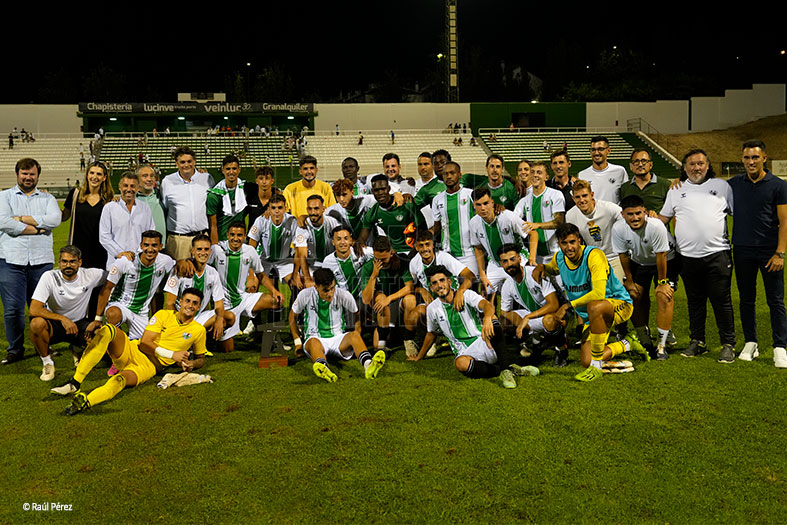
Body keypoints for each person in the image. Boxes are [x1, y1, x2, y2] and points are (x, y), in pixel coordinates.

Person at [50, 288, 208, 415]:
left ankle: (87, 402)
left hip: (148, 367)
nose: (190, 305)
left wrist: (192, 364)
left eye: (195, 303)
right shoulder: (163, 315)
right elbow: (145, 344)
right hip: (133, 349)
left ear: (199, 307)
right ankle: (75, 382)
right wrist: (172, 355)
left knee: (120, 381)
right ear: (180, 302)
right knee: (108, 330)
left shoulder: (198, 330)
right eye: (187, 301)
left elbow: (201, 358)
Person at [533, 223, 647, 382]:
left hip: (618, 305)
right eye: (564, 243)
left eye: (572, 242)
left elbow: (598, 294)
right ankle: (628, 343)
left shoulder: (594, 256)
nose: (569, 247)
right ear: (559, 244)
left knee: (594, 305)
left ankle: (597, 367)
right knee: (586, 361)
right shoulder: (559, 258)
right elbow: (551, 268)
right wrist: (541, 267)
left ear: (579, 240)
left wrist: (568, 305)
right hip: (591, 316)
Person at [658, 149, 735, 363]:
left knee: (722, 300)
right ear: (684, 168)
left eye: (700, 163)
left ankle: (728, 344)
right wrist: (647, 220)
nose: (696, 168)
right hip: (687, 257)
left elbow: (738, 213)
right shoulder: (676, 189)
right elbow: (663, 218)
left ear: (708, 166)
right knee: (695, 301)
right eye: (691, 164)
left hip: (717, 254)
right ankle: (697, 341)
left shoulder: (722, 186)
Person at [408, 265, 534, 389]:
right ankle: (507, 369)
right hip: (465, 352)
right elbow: (431, 333)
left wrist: (487, 319)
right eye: (434, 283)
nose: (439, 285)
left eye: (442, 280)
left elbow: (487, 306)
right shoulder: (432, 309)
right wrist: (419, 357)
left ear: (449, 282)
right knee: (460, 364)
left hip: (485, 341)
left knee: (493, 319)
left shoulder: (466, 295)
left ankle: (506, 368)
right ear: (431, 287)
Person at [727, 140, 787, 366]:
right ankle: (751, 342)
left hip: (770, 252)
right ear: (742, 160)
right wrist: (680, 180)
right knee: (746, 299)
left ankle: (780, 346)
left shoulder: (778, 185)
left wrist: (780, 253)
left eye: (755, 157)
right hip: (742, 250)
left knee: (775, 300)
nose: (751, 162)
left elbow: (784, 221)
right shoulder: (734, 184)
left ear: (764, 158)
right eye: (746, 158)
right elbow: (705, 185)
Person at [0, 158, 61, 365]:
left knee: (41, 308)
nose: (28, 177)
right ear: (17, 174)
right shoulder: (4, 196)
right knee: (13, 310)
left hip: (41, 260)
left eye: (32, 174)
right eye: (24, 174)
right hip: (10, 259)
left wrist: (20, 219)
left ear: (37, 176)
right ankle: (15, 350)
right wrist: (37, 229)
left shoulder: (48, 198)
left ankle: (44, 345)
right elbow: (3, 222)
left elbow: (55, 220)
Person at [289, 268, 386, 383]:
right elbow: (292, 316)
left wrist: (357, 335)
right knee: (313, 343)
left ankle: (368, 365)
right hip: (315, 338)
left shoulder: (343, 295)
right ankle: (324, 368)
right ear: (316, 287)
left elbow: (357, 314)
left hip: (338, 339)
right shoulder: (305, 295)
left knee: (354, 335)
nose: (330, 294)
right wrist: (297, 342)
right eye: (326, 290)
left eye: (332, 288)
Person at [612, 195, 679, 360]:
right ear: (622, 214)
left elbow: (661, 255)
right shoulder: (618, 228)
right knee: (633, 295)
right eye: (630, 214)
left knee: (664, 296)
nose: (635, 218)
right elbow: (623, 255)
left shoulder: (656, 226)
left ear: (645, 212)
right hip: (640, 262)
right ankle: (645, 340)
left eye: (638, 213)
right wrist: (629, 281)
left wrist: (662, 283)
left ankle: (661, 346)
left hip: (665, 261)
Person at [29, 246, 106, 381]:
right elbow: (34, 309)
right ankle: (47, 363)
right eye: (64, 261)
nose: (68, 265)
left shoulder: (90, 275)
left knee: (101, 336)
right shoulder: (49, 277)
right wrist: (63, 319)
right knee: (36, 324)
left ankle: (77, 347)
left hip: (80, 324)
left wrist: (98, 318)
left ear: (79, 262)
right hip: (55, 325)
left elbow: (114, 277)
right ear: (59, 262)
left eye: (72, 261)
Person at [209, 221, 284, 351]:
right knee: (227, 349)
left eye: (239, 235)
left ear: (244, 237)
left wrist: (275, 291)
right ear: (227, 235)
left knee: (275, 301)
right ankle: (212, 335)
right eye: (232, 235)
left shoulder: (250, 251)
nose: (235, 238)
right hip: (224, 306)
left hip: (243, 299)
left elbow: (261, 275)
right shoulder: (217, 250)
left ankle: (263, 332)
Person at [93, 230, 175, 341]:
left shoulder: (165, 261)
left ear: (161, 246)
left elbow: (177, 266)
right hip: (120, 305)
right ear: (141, 246)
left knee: (144, 344)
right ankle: (110, 339)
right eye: (146, 245)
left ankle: (121, 340)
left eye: (154, 245)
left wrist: (183, 262)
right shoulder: (125, 262)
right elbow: (107, 288)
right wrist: (98, 318)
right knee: (113, 314)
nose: (150, 249)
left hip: (141, 312)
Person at [407, 229, 476, 356]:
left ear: (433, 245)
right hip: (434, 304)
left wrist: (460, 292)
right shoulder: (414, 263)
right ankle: (421, 339)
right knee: (415, 314)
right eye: (421, 245)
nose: (425, 249)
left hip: (453, 301)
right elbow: (412, 286)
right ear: (416, 247)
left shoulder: (444, 258)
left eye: (427, 244)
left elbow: (470, 275)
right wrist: (421, 290)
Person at [498, 244, 565, 364]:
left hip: (559, 314)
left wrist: (527, 318)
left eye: (512, 259)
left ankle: (561, 350)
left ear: (520, 259)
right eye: (505, 261)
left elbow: (554, 305)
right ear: (501, 264)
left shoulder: (535, 274)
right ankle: (530, 344)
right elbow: (504, 313)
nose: (509, 264)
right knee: (503, 322)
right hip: (535, 315)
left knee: (549, 321)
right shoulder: (507, 285)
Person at [469, 187, 536, 298]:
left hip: (517, 260)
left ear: (492, 203)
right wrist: (482, 273)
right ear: (474, 206)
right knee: (485, 294)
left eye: (486, 203)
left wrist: (532, 258)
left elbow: (533, 233)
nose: (483, 208)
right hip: (495, 264)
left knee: (524, 291)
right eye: (478, 205)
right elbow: (478, 248)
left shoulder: (508, 217)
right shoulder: (473, 223)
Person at [163, 234, 231, 341]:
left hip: (199, 317)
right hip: (181, 316)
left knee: (229, 317)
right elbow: (169, 303)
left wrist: (219, 319)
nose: (203, 253)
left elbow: (219, 303)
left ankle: (204, 339)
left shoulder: (213, 273)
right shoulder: (181, 270)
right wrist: (177, 323)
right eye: (199, 249)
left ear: (210, 251)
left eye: (206, 249)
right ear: (192, 251)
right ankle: (189, 337)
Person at [360, 236, 415, 353]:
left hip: (398, 302)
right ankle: (382, 345)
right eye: (377, 259)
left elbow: (409, 287)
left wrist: (389, 299)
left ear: (391, 252)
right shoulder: (368, 267)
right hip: (382, 308)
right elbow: (365, 299)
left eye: (383, 259)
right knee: (380, 298)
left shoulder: (401, 262)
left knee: (410, 300)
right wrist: (373, 276)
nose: (380, 262)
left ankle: (408, 340)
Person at [565, 179, 626, 283]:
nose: (581, 200)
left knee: (615, 290)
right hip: (594, 258)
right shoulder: (570, 216)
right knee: (597, 290)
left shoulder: (609, 208)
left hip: (615, 257)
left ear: (592, 195)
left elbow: (627, 218)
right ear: (573, 198)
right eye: (577, 197)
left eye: (584, 196)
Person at [160, 146, 214, 259]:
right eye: (182, 162)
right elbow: (164, 209)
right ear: (177, 163)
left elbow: (212, 206)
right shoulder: (167, 181)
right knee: (179, 270)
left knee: (204, 270)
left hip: (202, 238)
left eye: (189, 161)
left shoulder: (207, 178)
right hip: (179, 240)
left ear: (194, 162)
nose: (186, 165)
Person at [62, 161, 114, 270]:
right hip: (78, 250)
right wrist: (48, 201)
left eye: (99, 174)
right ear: (87, 175)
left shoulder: (109, 199)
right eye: (92, 173)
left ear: (104, 177)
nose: (94, 177)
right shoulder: (75, 194)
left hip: (101, 251)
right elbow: (63, 217)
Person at [98, 171, 156, 269]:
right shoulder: (109, 208)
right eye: (125, 185)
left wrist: (138, 253)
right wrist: (121, 253)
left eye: (132, 186)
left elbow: (150, 233)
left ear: (138, 188)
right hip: (116, 263)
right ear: (120, 187)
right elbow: (104, 237)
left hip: (140, 262)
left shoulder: (145, 208)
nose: (129, 189)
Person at [431, 161, 479, 277]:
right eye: (445, 174)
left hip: (469, 252)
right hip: (447, 253)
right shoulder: (437, 199)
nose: (449, 176)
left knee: (471, 283)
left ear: (459, 175)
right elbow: (437, 226)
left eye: (452, 173)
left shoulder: (470, 195)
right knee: (450, 285)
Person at [514, 161, 565, 264]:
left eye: (539, 172)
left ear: (546, 177)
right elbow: (513, 220)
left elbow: (559, 222)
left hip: (556, 254)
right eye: (532, 172)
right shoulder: (524, 201)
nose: (535, 175)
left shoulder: (556, 195)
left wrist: (537, 225)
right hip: (535, 257)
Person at [358, 174, 421, 255]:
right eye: (376, 190)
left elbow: (422, 228)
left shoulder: (406, 203)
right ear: (372, 191)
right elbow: (361, 239)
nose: (380, 193)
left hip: (412, 250)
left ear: (389, 189)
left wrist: (414, 251)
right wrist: (359, 245)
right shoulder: (373, 213)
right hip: (391, 253)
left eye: (383, 189)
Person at [248, 194, 300, 289]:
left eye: (280, 208)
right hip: (263, 260)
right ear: (269, 209)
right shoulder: (261, 221)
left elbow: (299, 249)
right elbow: (251, 248)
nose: (276, 211)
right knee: (251, 287)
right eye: (273, 208)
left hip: (284, 261)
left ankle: (293, 300)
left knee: (296, 285)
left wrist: (296, 273)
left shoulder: (292, 222)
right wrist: (251, 273)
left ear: (285, 208)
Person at [293, 195, 342, 284]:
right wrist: (307, 278)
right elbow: (302, 255)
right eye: (310, 209)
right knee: (303, 285)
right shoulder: (302, 227)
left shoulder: (332, 223)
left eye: (316, 208)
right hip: (312, 266)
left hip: (331, 264)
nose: (313, 212)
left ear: (323, 209)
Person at [207, 154, 247, 244]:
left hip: (240, 241)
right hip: (222, 242)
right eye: (228, 169)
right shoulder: (214, 195)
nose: (231, 172)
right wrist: (215, 247)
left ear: (239, 170)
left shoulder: (246, 188)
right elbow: (213, 225)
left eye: (234, 168)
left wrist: (268, 208)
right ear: (223, 170)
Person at [577, 136, 627, 204]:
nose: (596, 153)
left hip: (614, 211)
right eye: (593, 150)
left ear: (608, 150)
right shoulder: (582, 175)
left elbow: (626, 196)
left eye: (600, 149)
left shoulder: (620, 171)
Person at [619, 149, 671, 214]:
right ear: (631, 166)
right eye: (636, 161)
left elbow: (673, 211)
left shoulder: (665, 185)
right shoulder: (625, 188)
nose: (640, 164)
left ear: (650, 165)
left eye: (644, 161)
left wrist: (658, 218)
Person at [136, 164, 167, 245]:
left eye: (152, 176)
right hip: (138, 246)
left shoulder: (162, 195)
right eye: (145, 176)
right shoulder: (131, 199)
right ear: (137, 179)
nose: (149, 179)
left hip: (160, 246)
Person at [413, 152, 445, 229]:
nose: (423, 167)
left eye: (426, 164)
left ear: (432, 165)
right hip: (425, 229)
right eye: (420, 164)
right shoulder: (413, 184)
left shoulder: (442, 182)